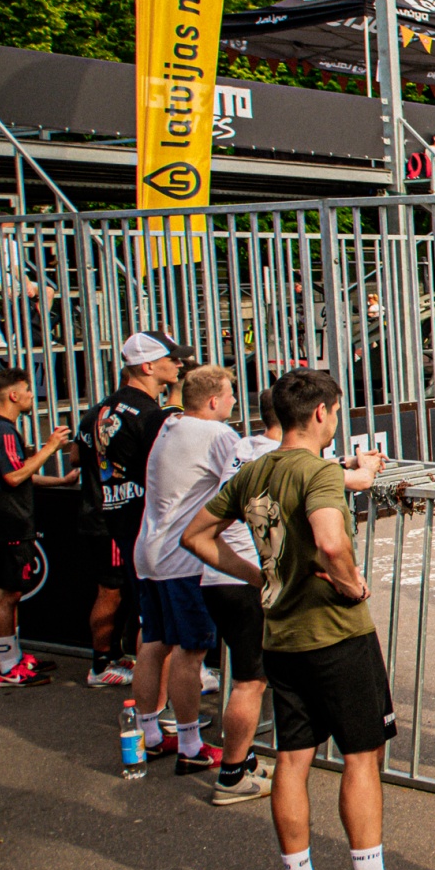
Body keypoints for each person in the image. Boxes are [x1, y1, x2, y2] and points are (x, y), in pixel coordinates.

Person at [181, 369, 435, 870]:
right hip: (336, 634)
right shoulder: (318, 472)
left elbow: (195, 536)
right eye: (336, 412)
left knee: (293, 759)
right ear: (322, 413)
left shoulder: (254, 471)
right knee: (361, 756)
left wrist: (259, 576)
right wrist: (349, 583)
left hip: (281, 636)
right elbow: (329, 539)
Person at [132, 365, 251, 775]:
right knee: (191, 651)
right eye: (230, 393)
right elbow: (246, 485)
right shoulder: (218, 434)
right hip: (182, 560)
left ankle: (149, 736)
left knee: (154, 642)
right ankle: (189, 745)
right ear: (214, 400)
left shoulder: (171, 425)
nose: (234, 400)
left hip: (150, 552)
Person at [195, 384, 291, 805]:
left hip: (220, 577)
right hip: (241, 579)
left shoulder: (245, 446)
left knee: (250, 678)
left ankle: (245, 760)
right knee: (250, 683)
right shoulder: (272, 456)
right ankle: (232, 776)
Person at [80, 332, 186, 691]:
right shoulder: (147, 414)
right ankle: (153, 694)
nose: (179, 364)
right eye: (172, 358)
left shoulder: (100, 409)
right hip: (137, 522)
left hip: (113, 515)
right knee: (146, 613)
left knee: (139, 606)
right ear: (148, 366)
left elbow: (78, 457)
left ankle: (145, 687)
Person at [0, 366, 73, 688]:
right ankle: (5, 666)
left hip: (12, 523)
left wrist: (60, 481)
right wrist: (51, 447)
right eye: (29, 390)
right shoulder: (2, 430)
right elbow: (13, 477)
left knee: (12, 594)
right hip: (9, 524)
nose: (33, 395)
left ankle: (12, 656)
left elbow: (21, 472)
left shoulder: (5, 429)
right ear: (14, 395)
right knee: (8, 595)